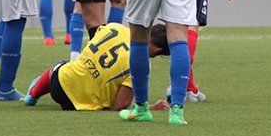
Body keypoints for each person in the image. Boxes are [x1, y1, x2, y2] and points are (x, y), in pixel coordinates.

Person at [23, 23, 169, 111]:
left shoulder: (116, 27)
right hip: (79, 104)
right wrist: (152, 108)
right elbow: (120, 106)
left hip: (59, 83)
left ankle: (33, 94)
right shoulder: (142, 64)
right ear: (157, 51)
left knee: (60, 67)